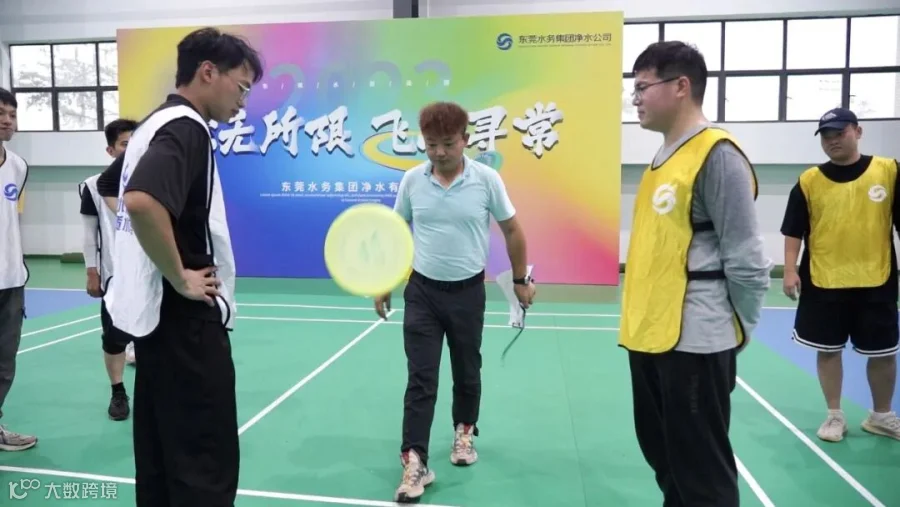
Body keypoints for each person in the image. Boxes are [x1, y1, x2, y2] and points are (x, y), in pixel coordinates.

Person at [95, 27, 262, 506]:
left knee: (161, 456)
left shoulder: (153, 123)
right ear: (208, 72)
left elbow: (116, 186)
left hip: (154, 324)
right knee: (203, 460)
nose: (243, 102)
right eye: (241, 87)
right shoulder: (186, 128)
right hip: (184, 324)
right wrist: (179, 274)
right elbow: (141, 200)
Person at [619, 41, 772, 507]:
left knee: (702, 473)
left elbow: (747, 260)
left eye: (643, 87)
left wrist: (736, 329)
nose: (636, 98)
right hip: (650, 336)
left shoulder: (717, 155)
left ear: (681, 86)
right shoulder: (661, 158)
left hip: (697, 340)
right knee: (666, 460)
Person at [374, 101, 536, 503]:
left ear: (465, 140)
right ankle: (414, 461)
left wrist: (520, 280)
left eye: (448, 143)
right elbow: (397, 229)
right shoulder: (412, 181)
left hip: (468, 293)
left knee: (467, 370)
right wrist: (384, 279)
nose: (439, 152)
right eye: (431, 144)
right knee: (421, 378)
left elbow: (512, 230)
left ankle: (464, 431)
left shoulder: (486, 180)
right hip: (422, 294)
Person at [781, 107, 900, 443]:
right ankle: (834, 415)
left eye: (840, 133)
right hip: (824, 280)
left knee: (883, 352)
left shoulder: (889, 171)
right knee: (828, 349)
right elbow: (793, 231)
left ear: (858, 132)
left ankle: (881, 416)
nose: (833, 141)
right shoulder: (809, 181)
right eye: (827, 136)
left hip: (876, 279)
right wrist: (789, 270)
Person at [78, 118, 138, 421]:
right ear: (110, 150)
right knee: (114, 338)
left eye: (136, 143)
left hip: (150, 274)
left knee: (155, 337)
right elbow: (89, 234)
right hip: (114, 275)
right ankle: (118, 392)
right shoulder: (93, 186)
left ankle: (155, 394)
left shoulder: (153, 181)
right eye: (125, 144)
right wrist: (92, 271)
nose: (132, 149)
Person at [0, 88, 38, 452]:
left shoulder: (18, 166)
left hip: (11, 281)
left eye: (12, 114)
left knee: (4, 364)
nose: (7, 120)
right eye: (1, 112)